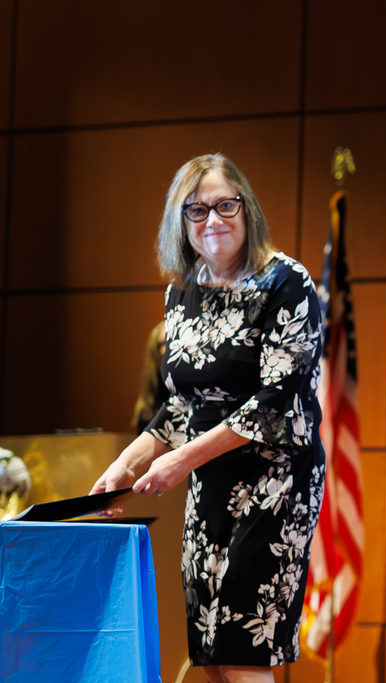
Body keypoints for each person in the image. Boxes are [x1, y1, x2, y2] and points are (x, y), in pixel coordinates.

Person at [91, 154, 325, 683]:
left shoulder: (285, 282)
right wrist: (126, 466)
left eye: (225, 205)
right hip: (209, 486)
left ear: (248, 210)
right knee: (213, 654)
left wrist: (179, 462)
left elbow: (276, 402)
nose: (213, 219)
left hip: (275, 484)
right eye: (197, 210)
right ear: (181, 222)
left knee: (244, 652)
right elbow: (180, 403)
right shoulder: (182, 292)